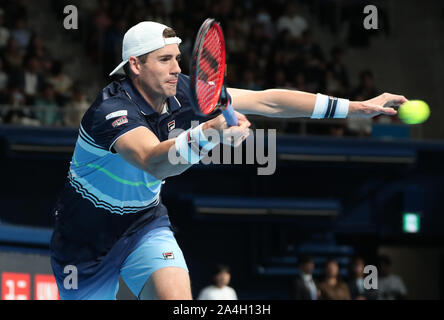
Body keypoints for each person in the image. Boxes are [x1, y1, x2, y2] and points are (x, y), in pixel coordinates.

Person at [49, 21, 407, 300]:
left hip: (144, 224)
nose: (177, 68)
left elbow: (268, 101)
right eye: (165, 60)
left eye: (177, 57)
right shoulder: (112, 111)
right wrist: (209, 133)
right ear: (135, 65)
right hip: (86, 241)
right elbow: (153, 161)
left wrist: (356, 107)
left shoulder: (183, 91)